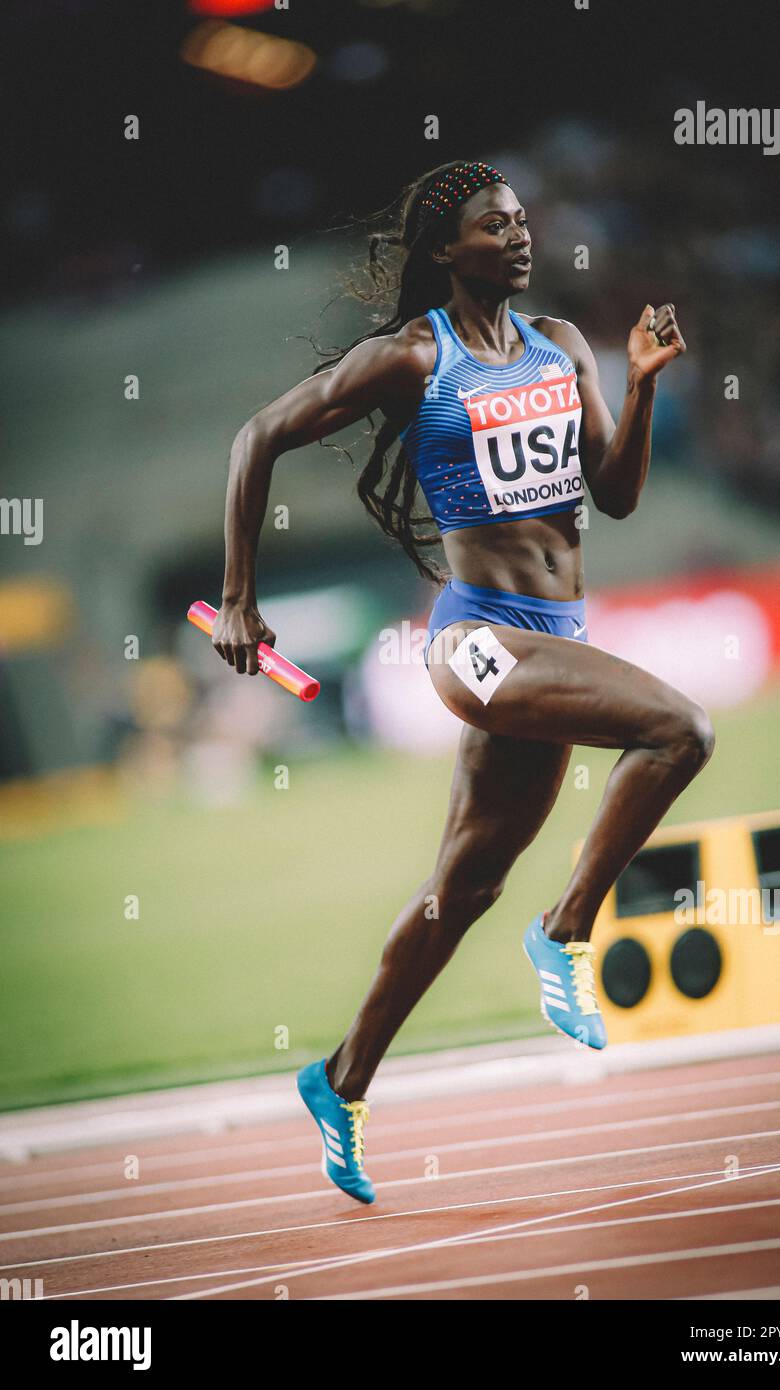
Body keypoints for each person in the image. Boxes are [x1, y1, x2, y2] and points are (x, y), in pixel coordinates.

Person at [212, 160, 714, 1204]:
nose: (520, 238)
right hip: (476, 641)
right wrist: (239, 599)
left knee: (461, 888)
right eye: (495, 227)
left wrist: (644, 383)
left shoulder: (562, 345)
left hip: (551, 630)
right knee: (680, 730)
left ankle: (338, 1080)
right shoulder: (409, 357)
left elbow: (612, 497)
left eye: (524, 222)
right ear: (445, 251)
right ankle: (565, 930)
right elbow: (254, 435)